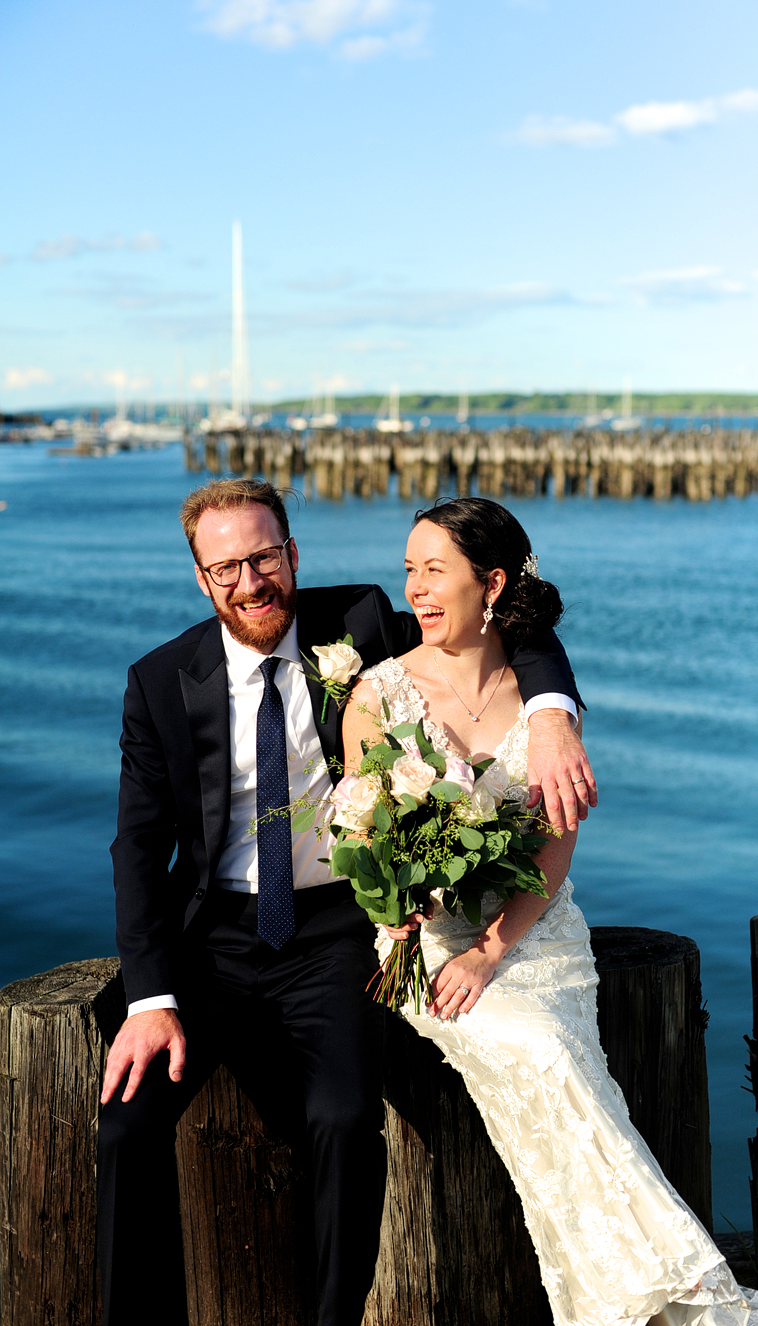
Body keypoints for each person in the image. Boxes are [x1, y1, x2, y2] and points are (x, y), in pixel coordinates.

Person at [97, 477, 595, 1326]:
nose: (251, 582)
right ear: (200, 578)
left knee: (344, 1116)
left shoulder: (362, 623)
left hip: (339, 928)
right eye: (226, 569)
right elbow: (140, 849)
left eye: (264, 557)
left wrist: (550, 711)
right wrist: (151, 996)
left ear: (293, 555)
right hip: (212, 937)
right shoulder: (158, 681)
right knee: (126, 1123)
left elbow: (509, 619)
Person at [342, 496, 749, 1326]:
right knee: (533, 1049)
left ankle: (632, 1302)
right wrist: (410, 924)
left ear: (490, 583)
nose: (415, 589)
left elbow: (554, 847)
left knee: (558, 1049)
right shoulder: (376, 696)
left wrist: (492, 950)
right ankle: (667, 1293)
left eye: (435, 569)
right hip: (421, 940)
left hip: (536, 928)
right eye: (410, 568)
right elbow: (363, 831)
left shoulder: (544, 702)